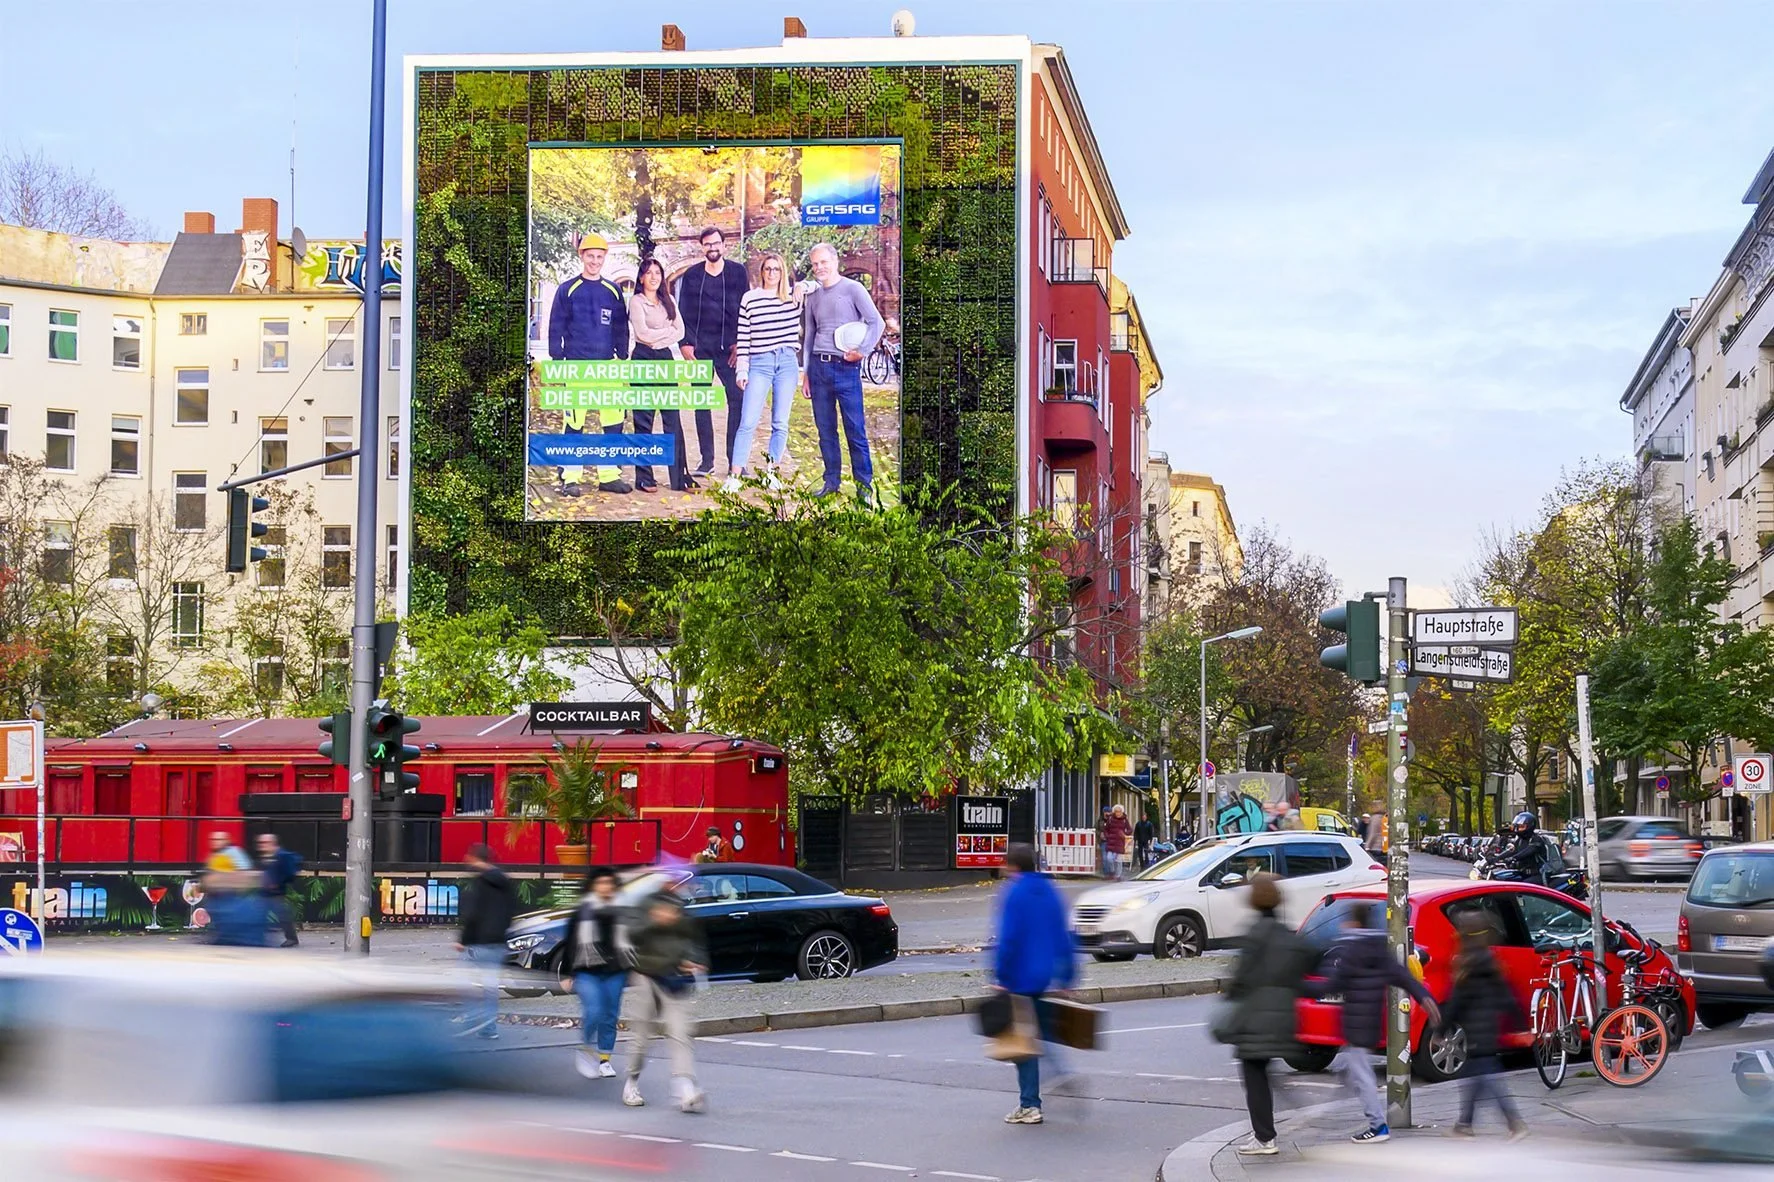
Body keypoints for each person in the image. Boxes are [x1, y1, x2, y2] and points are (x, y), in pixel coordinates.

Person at [1310, 901, 1439, 1144]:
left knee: (1362, 1075)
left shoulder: (1352, 950)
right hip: (1369, 1023)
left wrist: (1299, 987)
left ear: (1353, 923)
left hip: (1357, 1024)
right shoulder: (1378, 950)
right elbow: (1403, 977)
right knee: (1355, 1070)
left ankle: (1377, 1125)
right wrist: (1425, 998)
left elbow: (1332, 985)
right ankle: (1343, 1107)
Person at [1222, 872, 1320, 1156]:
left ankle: (1264, 1137)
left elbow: (1239, 980)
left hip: (1254, 1020)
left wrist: (1231, 996)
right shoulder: (1287, 935)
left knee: (1254, 1078)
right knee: (1264, 1073)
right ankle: (1267, 1133)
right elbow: (1311, 959)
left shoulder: (1254, 935)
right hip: (1283, 1018)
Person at [993, 842, 1077, 1125]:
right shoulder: (1051, 892)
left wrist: (1001, 976)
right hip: (1045, 976)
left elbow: (1008, 939)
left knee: (1023, 1042)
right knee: (1041, 1036)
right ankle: (1059, 1075)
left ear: (1013, 866)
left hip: (1020, 977)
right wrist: (1067, 976)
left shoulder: (1014, 893)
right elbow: (1064, 937)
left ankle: (1030, 1103)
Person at [547, 230, 632, 496]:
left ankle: (609, 475)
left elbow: (621, 324)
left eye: (599, 256)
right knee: (574, 420)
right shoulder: (568, 289)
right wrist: (556, 355)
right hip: (577, 365)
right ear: (582, 256)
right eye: (590, 256)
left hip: (607, 365)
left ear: (604, 258)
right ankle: (570, 477)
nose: (595, 261)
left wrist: (622, 351)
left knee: (613, 419)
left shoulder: (613, 290)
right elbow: (556, 323)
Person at [799, 242, 884, 497]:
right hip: (818, 369)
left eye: (824, 262)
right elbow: (810, 334)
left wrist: (863, 351)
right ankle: (831, 483)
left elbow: (876, 322)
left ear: (835, 261)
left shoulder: (853, 289)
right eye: (815, 264)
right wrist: (806, 373)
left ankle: (863, 488)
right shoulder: (812, 296)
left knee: (855, 430)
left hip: (846, 369)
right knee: (825, 431)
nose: (819, 267)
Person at [1438, 912, 1528, 1140]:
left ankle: (1515, 1124)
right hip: (1489, 1027)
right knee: (1475, 1077)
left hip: (1477, 1029)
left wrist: (1441, 1028)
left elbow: (1456, 1002)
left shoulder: (1467, 966)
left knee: (1487, 1078)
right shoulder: (1489, 961)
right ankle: (1464, 1124)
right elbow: (1508, 995)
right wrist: (1519, 1024)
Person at [623, 884, 708, 1112]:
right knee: (641, 1035)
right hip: (646, 976)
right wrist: (655, 920)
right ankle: (632, 1081)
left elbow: (694, 941)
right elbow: (631, 934)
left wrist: (694, 960)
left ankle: (685, 1087)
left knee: (681, 1033)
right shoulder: (644, 903)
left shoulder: (681, 908)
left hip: (673, 978)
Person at [674, 226, 748, 478]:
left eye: (716, 243)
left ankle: (735, 461)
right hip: (700, 349)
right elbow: (683, 311)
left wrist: (741, 343)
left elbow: (745, 310)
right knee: (701, 403)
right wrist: (684, 343)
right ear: (702, 247)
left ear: (724, 245)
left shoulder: (738, 272)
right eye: (707, 244)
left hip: (730, 349)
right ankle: (707, 461)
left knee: (737, 403)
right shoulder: (693, 275)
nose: (712, 248)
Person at [729, 251, 804, 491]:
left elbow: (821, 283)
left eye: (777, 269)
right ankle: (734, 476)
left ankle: (771, 473)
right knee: (747, 421)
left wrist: (803, 284)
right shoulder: (750, 298)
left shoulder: (793, 296)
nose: (772, 273)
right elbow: (744, 336)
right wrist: (742, 370)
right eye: (768, 269)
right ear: (761, 272)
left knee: (780, 422)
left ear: (783, 272)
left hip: (787, 362)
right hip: (759, 363)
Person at [626, 256, 694, 493]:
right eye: (649, 272)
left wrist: (660, 337)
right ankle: (644, 477)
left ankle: (679, 477)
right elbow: (642, 333)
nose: (654, 277)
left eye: (658, 272)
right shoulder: (636, 302)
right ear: (642, 277)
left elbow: (681, 331)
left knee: (672, 418)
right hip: (643, 359)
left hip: (665, 359)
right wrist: (665, 333)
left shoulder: (669, 300)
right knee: (643, 419)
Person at [558, 865, 631, 1079]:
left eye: (609, 882)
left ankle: (605, 1061)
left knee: (610, 1015)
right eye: (600, 882)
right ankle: (585, 1050)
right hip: (587, 970)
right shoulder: (583, 911)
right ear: (592, 885)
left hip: (615, 970)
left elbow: (633, 941)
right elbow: (570, 942)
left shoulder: (622, 910)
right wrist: (567, 973)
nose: (605, 887)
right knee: (594, 1010)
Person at [455, 843, 517, 1039]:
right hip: (498, 942)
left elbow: (473, 914)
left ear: (475, 859)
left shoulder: (480, 882)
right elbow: (513, 911)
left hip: (478, 942)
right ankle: (490, 1029)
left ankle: (472, 1019)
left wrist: (463, 940)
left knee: (464, 982)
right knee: (491, 988)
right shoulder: (505, 881)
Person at [255, 833, 304, 948]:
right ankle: (257, 937)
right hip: (264, 892)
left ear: (272, 843)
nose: (261, 846)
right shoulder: (267, 856)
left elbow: (289, 872)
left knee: (283, 916)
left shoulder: (282, 855)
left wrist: (278, 883)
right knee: (259, 914)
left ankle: (292, 938)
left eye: (264, 843)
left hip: (276, 893)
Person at [1101, 804, 1132, 880]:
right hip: (1111, 842)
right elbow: (1106, 829)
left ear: (1122, 812)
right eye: (1116, 811)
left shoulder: (1125, 820)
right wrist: (1107, 836)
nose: (1118, 813)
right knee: (1109, 858)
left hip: (1119, 843)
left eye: (1119, 812)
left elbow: (1130, 829)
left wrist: (1124, 834)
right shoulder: (1110, 819)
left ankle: (1118, 876)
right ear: (1114, 812)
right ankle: (1112, 871)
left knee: (1118, 860)